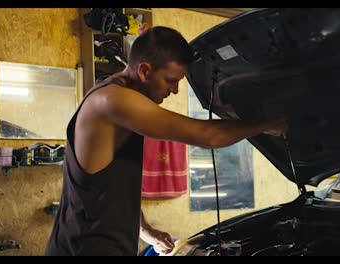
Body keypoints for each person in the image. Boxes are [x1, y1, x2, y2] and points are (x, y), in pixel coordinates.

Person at [45, 26, 288, 256]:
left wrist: (145, 231)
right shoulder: (112, 101)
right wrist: (268, 124)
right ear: (144, 71)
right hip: (84, 248)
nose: (174, 91)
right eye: (171, 80)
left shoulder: (113, 96)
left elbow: (111, 187)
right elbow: (208, 135)